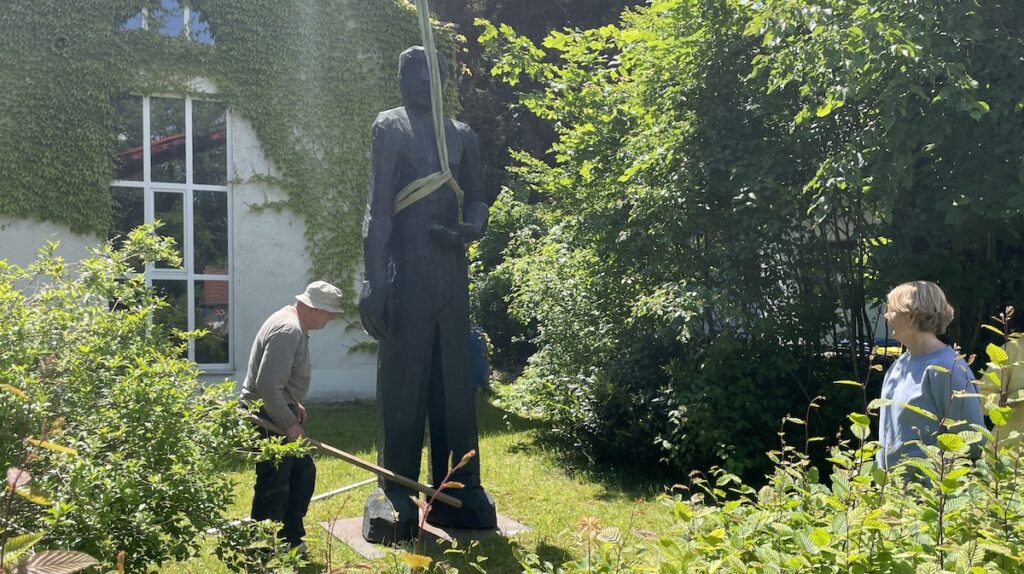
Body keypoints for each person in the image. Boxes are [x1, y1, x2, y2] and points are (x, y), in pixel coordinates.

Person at [359, 45, 496, 544]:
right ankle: (394, 490)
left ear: (444, 82)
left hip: (451, 277)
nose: (423, 82)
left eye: (432, 74)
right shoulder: (389, 126)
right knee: (403, 380)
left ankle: (459, 488)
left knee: (454, 382)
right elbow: (377, 209)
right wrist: (373, 281)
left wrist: (471, 229)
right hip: (405, 274)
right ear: (401, 80)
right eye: (413, 73)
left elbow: (478, 197)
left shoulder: (462, 135)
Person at [240, 280, 343, 550]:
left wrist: (292, 403)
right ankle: (261, 551)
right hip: (264, 413)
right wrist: (288, 423)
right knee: (274, 483)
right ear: (312, 307)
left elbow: (278, 380)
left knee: (302, 473)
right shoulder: (288, 329)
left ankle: (290, 538)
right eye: (329, 313)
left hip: (277, 407)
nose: (331, 319)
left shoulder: (294, 324)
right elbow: (266, 384)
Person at [876, 281, 985, 471]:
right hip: (890, 492)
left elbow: (972, 442)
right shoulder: (899, 365)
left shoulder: (947, 369)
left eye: (891, 310)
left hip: (929, 495)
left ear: (910, 316)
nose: (886, 316)